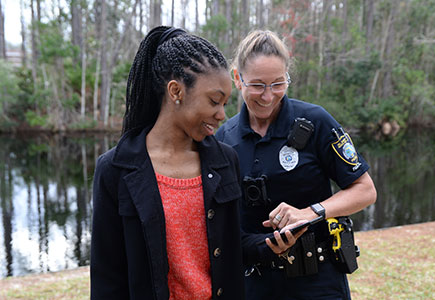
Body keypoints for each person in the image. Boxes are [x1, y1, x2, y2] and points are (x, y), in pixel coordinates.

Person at [215, 30, 377, 300]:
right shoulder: (223, 138)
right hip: (253, 286)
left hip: (318, 282)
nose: (268, 96)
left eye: (278, 83)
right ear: (237, 78)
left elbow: (365, 190)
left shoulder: (316, 122)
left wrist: (310, 212)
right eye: (257, 85)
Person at [90, 26, 246, 300]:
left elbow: (234, 249)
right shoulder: (114, 170)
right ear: (176, 91)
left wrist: (272, 242)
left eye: (225, 103)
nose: (222, 115)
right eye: (214, 101)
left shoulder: (225, 161)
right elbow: (107, 279)